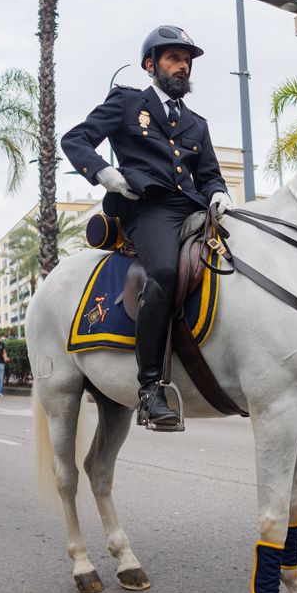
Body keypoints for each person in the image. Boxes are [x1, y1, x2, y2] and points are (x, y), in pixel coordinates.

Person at [62, 24, 235, 429]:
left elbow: (209, 174)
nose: (183, 67)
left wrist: (218, 192)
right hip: (146, 207)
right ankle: (150, 388)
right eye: (174, 58)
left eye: (187, 61)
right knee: (162, 271)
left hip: (192, 207)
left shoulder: (197, 123)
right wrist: (104, 173)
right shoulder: (126, 103)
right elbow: (76, 139)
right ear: (150, 64)